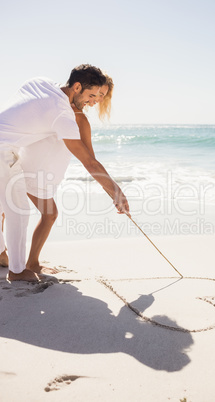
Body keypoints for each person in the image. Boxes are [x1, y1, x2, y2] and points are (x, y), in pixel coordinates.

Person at [0, 65, 130, 282]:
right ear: (77, 87)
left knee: (8, 207)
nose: (93, 100)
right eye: (91, 95)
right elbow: (89, 161)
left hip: (8, 149)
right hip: (4, 152)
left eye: (99, 96)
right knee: (18, 210)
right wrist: (116, 192)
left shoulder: (41, 82)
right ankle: (16, 271)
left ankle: (6, 257)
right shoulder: (62, 115)